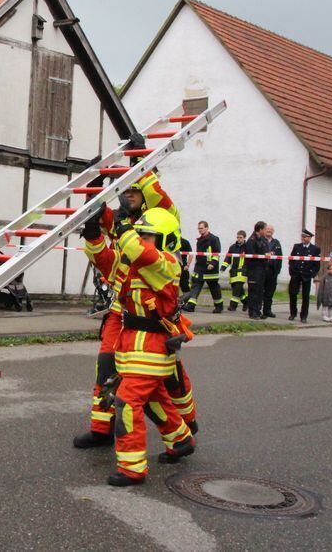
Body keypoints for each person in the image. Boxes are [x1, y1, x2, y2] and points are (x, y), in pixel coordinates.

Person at [72, 147, 197, 452]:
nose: (127, 195)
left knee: (167, 378)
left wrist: (139, 162)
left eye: (133, 190)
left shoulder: (163, 217)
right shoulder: (123, 218)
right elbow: (99, 219)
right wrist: (93, 183)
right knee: (107, 365)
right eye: (123, 190)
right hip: (123, 306)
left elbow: (153, 193)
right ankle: (102, 428)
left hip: (156, 312)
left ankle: (186, 422)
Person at [81, 205, 195, 486]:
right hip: (132, 341)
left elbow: (140, 252)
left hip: (152, 345)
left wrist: (123, 228)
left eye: (148, 235)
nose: (142, 239)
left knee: (129, 402)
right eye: (140, 234)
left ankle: (132, 468)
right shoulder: (136, 262)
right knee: (154, 398)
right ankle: (180, 439)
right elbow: (108, 263)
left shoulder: (167, 263)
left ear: (166, 239)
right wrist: (94, 236)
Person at [183, 221, 223, 313]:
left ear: (207, 228)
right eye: (198, 228)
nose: (199, 230)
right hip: (200, 268)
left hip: (210, 269)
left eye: (201, 228)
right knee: (195, 285)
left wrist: (213, 263)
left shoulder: (214, 239)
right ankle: (191, 305)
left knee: (214, 288)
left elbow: (217, 253)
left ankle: (219, 306)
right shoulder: (199, 240)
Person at [288, 229, 321, 322]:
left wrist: (312, 274)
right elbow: (291, 260)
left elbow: (317, 264)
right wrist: (292, 271)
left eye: (305, 237)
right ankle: (293, 313)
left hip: (306, 275)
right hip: (296, 274)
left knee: (305, 296)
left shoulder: (315, 249)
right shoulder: (297, 247)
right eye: (302, 236)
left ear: (310, 238)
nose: (303, 238)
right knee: (293, 294)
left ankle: (304, 316)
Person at [244, 221, 270, 319]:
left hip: (262, 269)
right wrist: (264, 256)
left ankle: (258, 311)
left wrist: (268, 254)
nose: (266, 231)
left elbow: (265, 250)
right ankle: (252, 312)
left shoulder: (263, 239)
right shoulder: (251, 240)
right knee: (253, 292)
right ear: (260, 230)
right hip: (254, 270)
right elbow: (251, 255)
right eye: (265, 229)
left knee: (260, 291)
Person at [222, 230, 248, 312]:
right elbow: (228, 257)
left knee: (237, 290)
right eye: (238, 237)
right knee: (239, 290)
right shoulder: (233, 247)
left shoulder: (247, 247)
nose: (239, 239)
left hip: (242, 271)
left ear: (244, 238)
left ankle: (233, 306)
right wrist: (223, 267)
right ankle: (247, 303)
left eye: (241, 237)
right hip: (233, 271)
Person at [262, 224, 282, 318]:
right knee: (260, 291)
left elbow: (280, 257)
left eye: (271, 229)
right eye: (267, 229)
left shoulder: (276, 242)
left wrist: (278, 270)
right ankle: (258, 310)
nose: (269, 231)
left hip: (272, 271)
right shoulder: (260, 240)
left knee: (270, 292)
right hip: (262, 270)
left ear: (273, 231)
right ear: (264, 230)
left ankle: (267, 310)